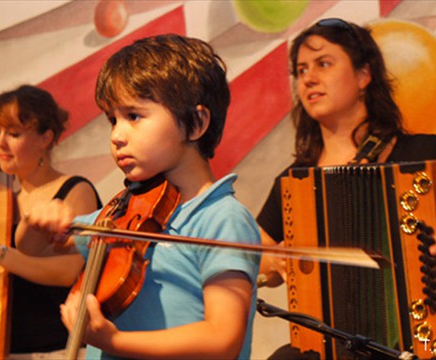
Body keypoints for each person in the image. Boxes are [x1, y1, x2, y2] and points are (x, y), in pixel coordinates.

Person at [23, 34, 261, 359]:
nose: (117, 136)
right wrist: (37, 222)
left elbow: (222, 339)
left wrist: (114, 342)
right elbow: (32, 249)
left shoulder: (220, 218)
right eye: (112, 120)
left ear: (196, 122)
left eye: (133, 116)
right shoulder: (125, 211)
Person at [255, 18, 436, 358]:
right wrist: (271, 263)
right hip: (328, 350)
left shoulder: (426, 154)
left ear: (364, 75)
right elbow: (253, 258)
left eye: (323, 64)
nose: (308, 78)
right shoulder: (296, 182)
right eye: (300, 70)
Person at [0, 85, 102, 358]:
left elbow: (67, 271)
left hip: (57, 349)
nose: (0, 143)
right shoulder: (0, 198)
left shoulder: (75, 190)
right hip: (4, 347)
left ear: (45, 138)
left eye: (13, 134)